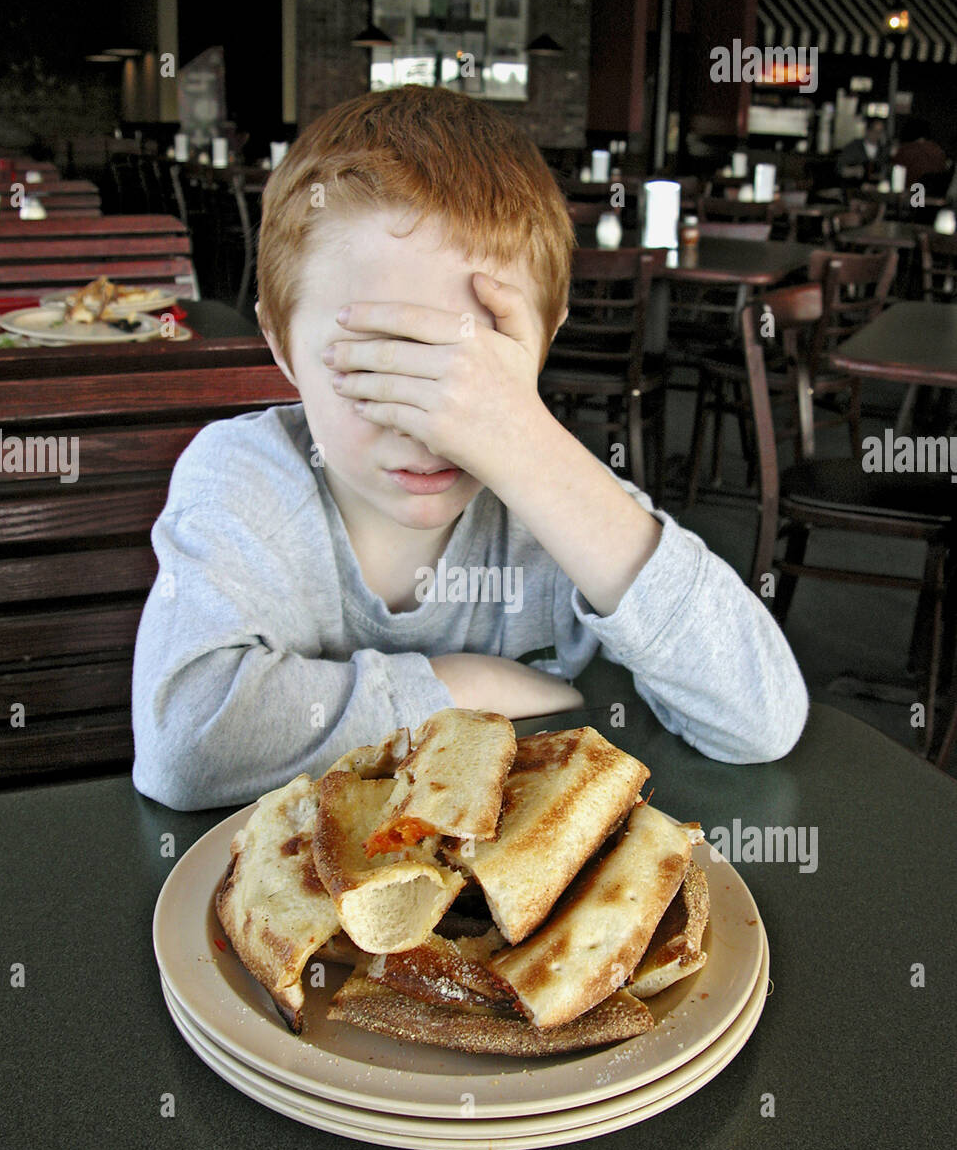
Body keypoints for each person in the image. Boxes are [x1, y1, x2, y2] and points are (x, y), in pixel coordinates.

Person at [131, 85, 808, 810]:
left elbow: (760, 720)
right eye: (374, 365)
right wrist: (467, 685)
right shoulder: (243, 476)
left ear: (545, 340)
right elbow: (188, 745)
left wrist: (525, 444)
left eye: (473, 372)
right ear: (282, 347)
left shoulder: (548, 495)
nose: (430, 425)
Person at [892, 118, 949, 195]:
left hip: (910, 197)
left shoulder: (905, 150)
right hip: (935, 197)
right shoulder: (939, 151)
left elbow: (895, 175)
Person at [836, 117, 890, 182]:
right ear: (867, 130)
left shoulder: (883, 150)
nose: (877, 135)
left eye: (880, 132)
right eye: (874, 131)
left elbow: (886, 170)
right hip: (855, 187)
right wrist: (854, 171)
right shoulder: (854, 147)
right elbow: (839, 169)